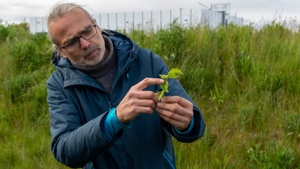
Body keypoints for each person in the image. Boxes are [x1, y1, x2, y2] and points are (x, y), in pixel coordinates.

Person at [46, 2, 205, 169]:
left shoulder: (146, 61)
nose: (85, 44)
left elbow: (195, 125)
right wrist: (113, 119)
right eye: (71, 42)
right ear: (61, 51)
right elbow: (65, 150)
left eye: (87, 31)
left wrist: (188, 124)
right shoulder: (60, 85)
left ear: (96, 25)